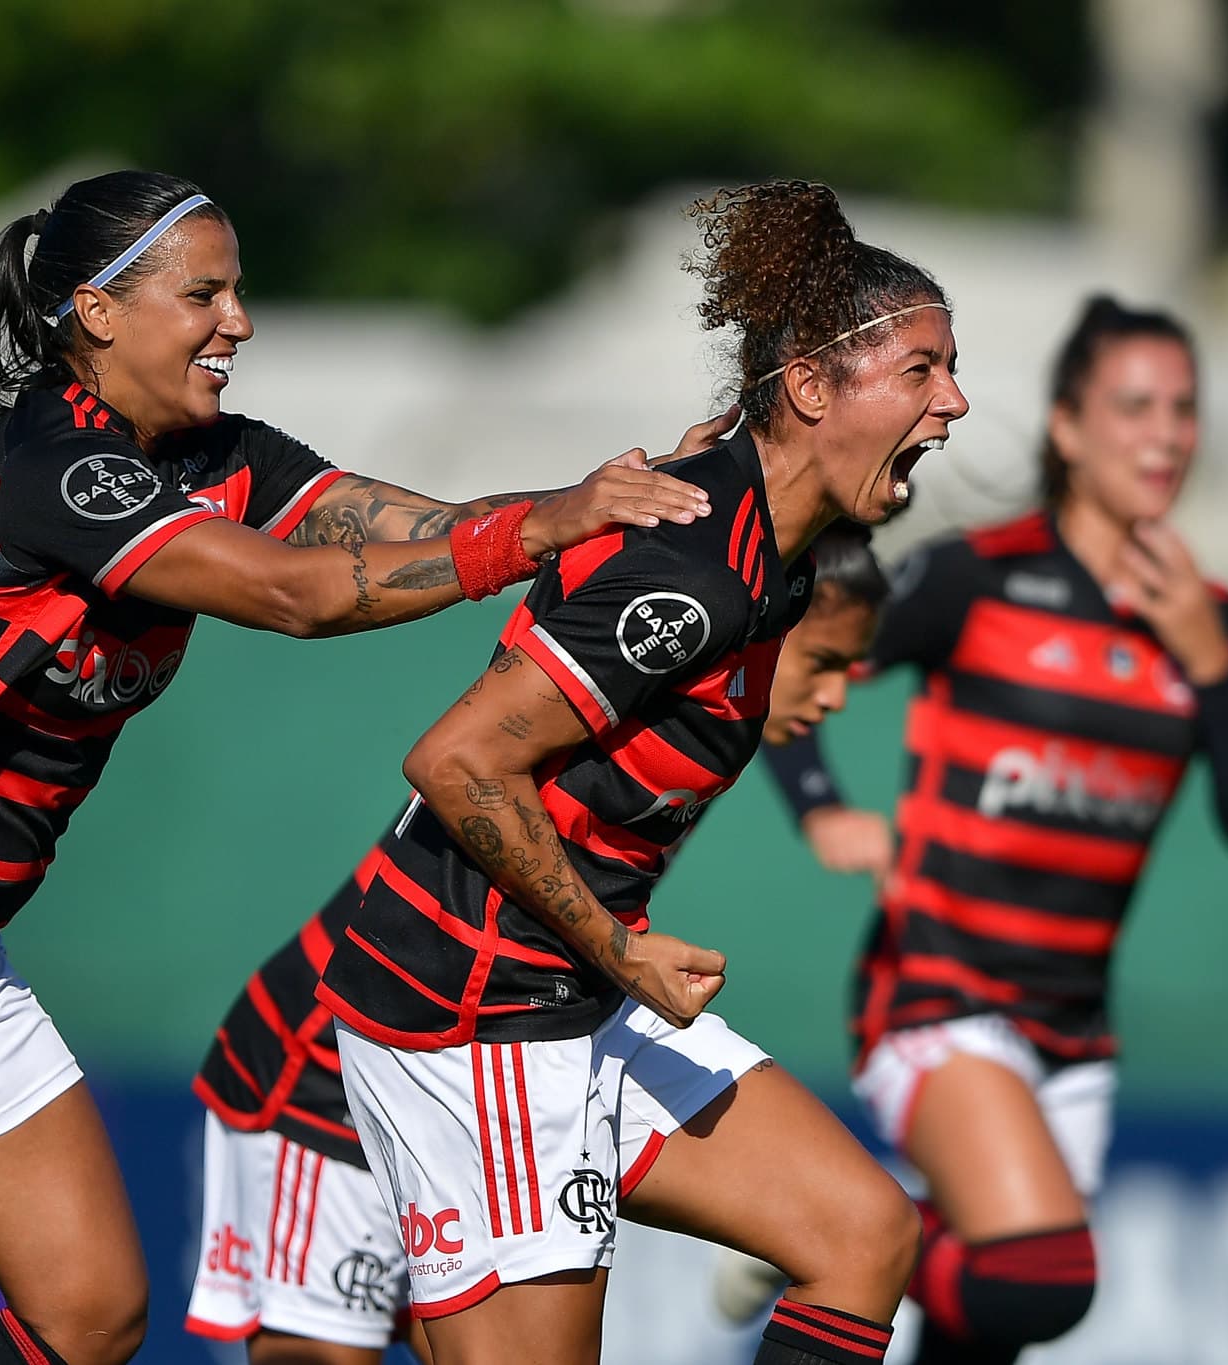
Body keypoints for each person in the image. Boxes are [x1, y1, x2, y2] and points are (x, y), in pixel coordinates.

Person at [0, 168, 727, 1365]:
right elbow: (291, 593)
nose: (237, 321)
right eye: (203, 295)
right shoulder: (54, 463)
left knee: (88, 1317)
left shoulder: (217, 453)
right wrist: (539, 529)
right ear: (96, 311)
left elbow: (418, 525)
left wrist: (609, 507)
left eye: (236, 292)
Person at [312, 178, 970, 1365]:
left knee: (860, 1233)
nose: (954, 401)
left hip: (568, 988)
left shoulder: (760, 524)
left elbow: (727, 446)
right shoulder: (697, 574)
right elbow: (457, 761)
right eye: (920, 371)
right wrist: (619, 952)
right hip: (474, 1009)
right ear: (810, 389)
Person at [723, 295, 1228, 1364]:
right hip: (939, 994)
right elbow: (789, 656)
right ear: (1068, 427)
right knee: (1039, 1277)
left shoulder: (1208, 620)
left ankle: (868, 1231)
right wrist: (821, 807)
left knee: (982, 1328)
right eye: (1134, 406)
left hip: (1071, 1030)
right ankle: (853, 1231)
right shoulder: (979, 576)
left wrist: (1211, 663)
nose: (1165, 435)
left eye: (1182, 409)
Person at [186, 522, 892, 1365]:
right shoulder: (626, 682)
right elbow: (457, 783)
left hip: (511, 1041)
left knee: (862, 1228)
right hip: (332, 1061)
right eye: (823, 662)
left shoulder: (693, 739)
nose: (836, 695)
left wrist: (817, 803)